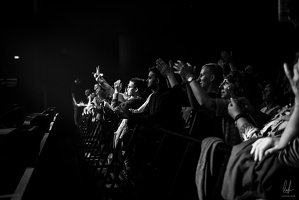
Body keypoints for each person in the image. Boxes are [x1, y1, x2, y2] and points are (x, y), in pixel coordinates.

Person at [221, 54, 299, 200]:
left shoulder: (284, 112)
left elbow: (260, 145)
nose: (292, 78)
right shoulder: (287, 111)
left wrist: (239, 117)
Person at [174, 60, 262, 146]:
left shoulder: (236, 104)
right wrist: (187, 81)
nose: (220, 86)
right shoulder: (233, 103)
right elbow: (197, 106)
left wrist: (189, 76)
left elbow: (205, 102)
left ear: (238, 86)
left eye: (226, 82)